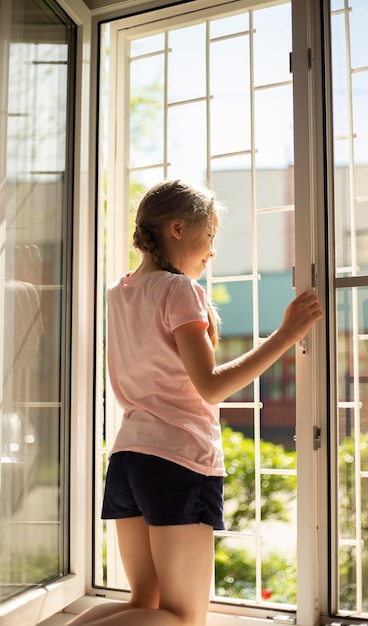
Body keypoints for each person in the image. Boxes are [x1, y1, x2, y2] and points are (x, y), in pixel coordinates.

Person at [67, 179, 322, 626]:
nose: (213, 250)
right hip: (176, 460)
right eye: (210, 235)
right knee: (183, 619)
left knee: (144, 602)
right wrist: (286, 335)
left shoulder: (119, 292)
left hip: (129, 458)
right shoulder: (178, 290)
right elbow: (211, 386)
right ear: (178, 228)